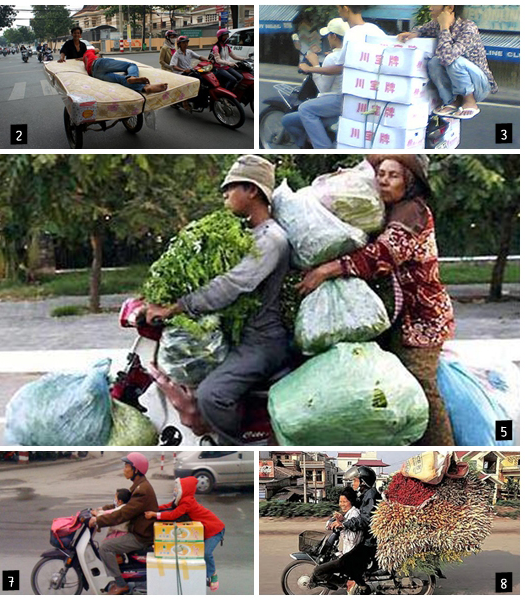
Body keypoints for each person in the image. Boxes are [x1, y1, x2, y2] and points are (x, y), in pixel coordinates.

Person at [298, 155, 455, 445]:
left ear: (409, 182)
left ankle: (446, 455)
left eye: (393, 175)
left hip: (423, 319)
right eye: (381, 174)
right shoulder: (388, 209)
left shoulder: (412, 212)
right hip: (397, 318)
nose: (383, 180)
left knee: (420, 387)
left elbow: (381, 257)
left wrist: (327, 270)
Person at [144, 156, 292, 444]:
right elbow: (207, 274)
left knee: (212, 395)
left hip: (261, 340)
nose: (224, 194)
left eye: (231, 187)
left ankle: (236, 453)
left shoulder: (272, 239)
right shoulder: (240, 234)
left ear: (252, 190)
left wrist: (177, 307)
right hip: (237, 336)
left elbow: (231, 284)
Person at [297, 6, 384, 148]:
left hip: (351, 95)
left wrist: (311, 68)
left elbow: (340, 67)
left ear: (346, 8)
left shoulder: (352, 34)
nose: (338, 12)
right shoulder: (375, 30)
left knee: (305, 109)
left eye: (339, 8)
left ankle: (323, 148)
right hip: (370, 93)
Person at [398, 5, 496, 119]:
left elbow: (447, 58)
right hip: (456, 84)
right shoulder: (435, 25)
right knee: (434, 62)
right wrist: (414, 34)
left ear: (449, 8)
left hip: (478, 85)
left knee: (454, 62)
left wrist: (444, 28)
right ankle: (451, 101)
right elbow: (422, 29)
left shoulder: (468, 28)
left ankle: (470, 102)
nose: (430, 8)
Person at [90, 453, 158, 595]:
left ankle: (121, 584)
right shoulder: (138, 486)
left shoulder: (142, 490)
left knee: (105, 547)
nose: (124, 470)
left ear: (136, 470)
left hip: (141, 536)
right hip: (138, 530)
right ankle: (121, 576)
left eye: (127, 466)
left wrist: (99, 521)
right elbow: (122, 505)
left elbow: (123, 513)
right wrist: (101, 509)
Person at [145, 477, 225, 591]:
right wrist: (155, 509)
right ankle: (204, 576)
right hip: (205, 529)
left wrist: (155, 515)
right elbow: (169, 506)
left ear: (184, 490)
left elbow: (173, 514)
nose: (175, 490)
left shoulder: (187, 502)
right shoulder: (181, 500)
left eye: (177, 488)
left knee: (206, 553)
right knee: (196, 552)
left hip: (215, 530)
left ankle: (213, 575)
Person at [282, 17, 347, 148]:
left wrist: (315, 65)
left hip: (334, 99)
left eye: (328, 35)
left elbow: (323, 88)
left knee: (304, 108)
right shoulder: (345, 54)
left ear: (333, 36)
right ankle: (308, 141)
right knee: (287, 120)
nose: (328, 38)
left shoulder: (332, 57)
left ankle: (322, 147)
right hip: (342, 100)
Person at [310, 486, 361, 590]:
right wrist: (333, 523)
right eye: (340, 501)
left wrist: (341, 525)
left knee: (318, 571)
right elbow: (330, 524)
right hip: (347, 552)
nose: (341, 504)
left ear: (351, 501)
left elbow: (353, 539)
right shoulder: (347, 513)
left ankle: (346, 584)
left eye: (344, 502)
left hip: (350, 556)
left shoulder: (355, 514)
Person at [83, 47, 168, 94]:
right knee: (131, 65)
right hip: (99, 63)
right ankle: (132, 76)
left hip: (95, 74)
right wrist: (97, 53)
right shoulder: (89, 51)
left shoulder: (84, 58)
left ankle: (145, 88)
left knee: (121, 80)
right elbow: (97, 50)